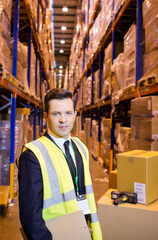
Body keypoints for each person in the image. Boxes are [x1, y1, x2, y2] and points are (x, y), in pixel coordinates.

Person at [17, 88, 102, 240]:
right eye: (56, 114)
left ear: (75, 114)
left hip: (81, 231)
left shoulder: (80, 146)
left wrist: (83, 226)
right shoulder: (32, 155)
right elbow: (31, 218)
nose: (63, 120)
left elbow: (81, 191)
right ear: (46, 116)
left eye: (68, 113)